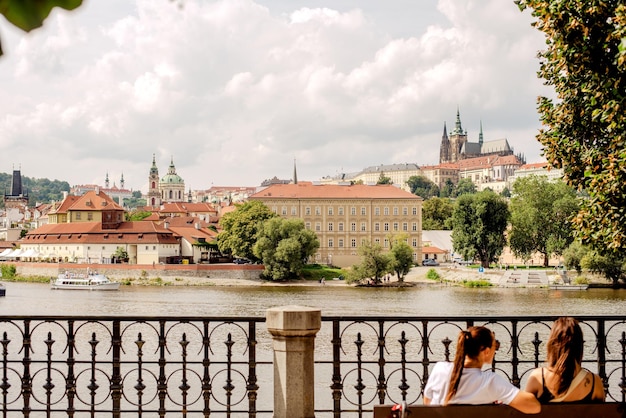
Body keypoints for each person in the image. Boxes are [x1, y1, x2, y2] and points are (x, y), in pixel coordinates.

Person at [423, 326, 540, 414]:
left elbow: (427, 402)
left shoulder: (439, 369)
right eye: (496, 347)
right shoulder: (490, 382)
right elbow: (534, 407)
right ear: (487, 351)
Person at [525, 317, 605, 403]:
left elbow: (524, 411)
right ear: (579, 345)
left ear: (552, 344)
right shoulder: (594, 382)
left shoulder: (538, 378)